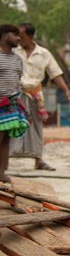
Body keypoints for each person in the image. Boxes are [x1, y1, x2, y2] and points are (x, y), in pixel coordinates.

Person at [10, 23, 70, 171]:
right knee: (9, 124)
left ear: (31, 36)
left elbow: (55, 73)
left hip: (35, 96)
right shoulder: (12, 50)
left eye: (22, 35)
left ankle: (38, 160)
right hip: (15, 94)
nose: (19, 38)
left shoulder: (44, 53)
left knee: (37, 126)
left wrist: (66, 90)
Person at [0, 25, 29, 182]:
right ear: (5, 36)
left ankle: (2, 173)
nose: (19, 38)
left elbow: (17, 82)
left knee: (6, 140)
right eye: (15, 34)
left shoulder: (18, 59)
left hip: (11, 104)